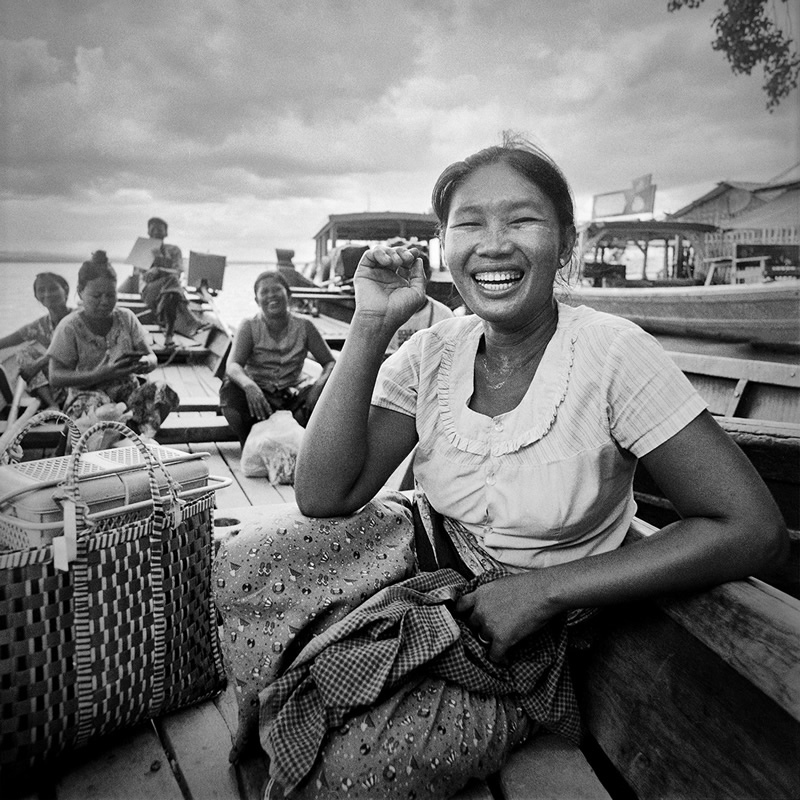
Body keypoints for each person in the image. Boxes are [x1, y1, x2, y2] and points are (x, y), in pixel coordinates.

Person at [214, 136, 787, 800]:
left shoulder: (612, 354)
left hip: (528, 626)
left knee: (352, 773)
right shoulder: (435, 348)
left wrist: (544, 591)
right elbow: (324, 492)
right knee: (240, 562)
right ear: (445, 247)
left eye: (521, 220)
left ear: (565, 242)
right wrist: (370, 327)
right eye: (469, 225)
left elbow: (752, 528)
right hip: (424, 549)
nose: (493, 245)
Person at [48, 251, 179, 440]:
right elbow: (55, 376)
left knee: (165, 391)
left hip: (128, 393)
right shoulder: (69, 327)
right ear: (80, 293)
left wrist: (145, 363)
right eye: (96, 295)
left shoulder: (126, 318)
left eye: (110, 295)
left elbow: (152, 357)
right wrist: (101, 374)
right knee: (102, 413)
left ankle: (128, 433)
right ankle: (127, 433)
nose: (104, 301)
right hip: (89, 397)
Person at [219, 270, 335, 448]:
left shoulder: (305, 326)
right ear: (257, 301)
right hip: (259, 400)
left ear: (288, 295)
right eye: (264, 292)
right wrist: (249, 386)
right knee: (229, 391)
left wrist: (318, 386)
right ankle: (247, 441)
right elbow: (233, 365)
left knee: (329, 389)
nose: (271, 295)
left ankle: (303, 445)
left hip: (291, 397)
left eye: (276, 290)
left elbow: (330, 362)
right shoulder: (249, 326)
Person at [0, 272, 73, 409]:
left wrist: (41, 362)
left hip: (82, 378)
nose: (47, 294)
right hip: (58, 384)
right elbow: (7, 341)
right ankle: (52, 405)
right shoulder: (39, 326)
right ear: (36, 296)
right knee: (23, 352)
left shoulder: (79, 317)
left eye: (53, 288)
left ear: (65, 289)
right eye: (41, 290)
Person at [139, 216, 202, 348]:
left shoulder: (174, 250)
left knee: (170, 292)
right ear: (148, 232)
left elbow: (178, 273)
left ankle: (169, 335)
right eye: (153, 229)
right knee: (172, 286)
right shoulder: (143, 249)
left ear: (166, 233)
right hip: (149, 293)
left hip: (170, 292)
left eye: (159, 229)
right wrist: (158, 271)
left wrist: (160, 266)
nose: (156, 232)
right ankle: (185, 322)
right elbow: (144, 278)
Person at [384, 246, 454, 355]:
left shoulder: (444, 315)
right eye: (404, 274)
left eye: (416, 276)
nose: (409, 281)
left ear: (428, 276)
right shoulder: (387, 314)